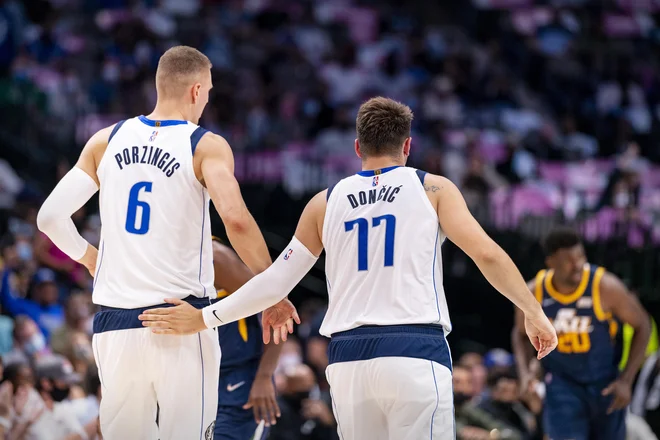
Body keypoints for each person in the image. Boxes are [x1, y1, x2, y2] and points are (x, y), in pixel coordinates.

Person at [140, 96, 558, 439]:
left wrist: (203, 318)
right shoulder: (432, 187)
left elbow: (274, 282)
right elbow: (486, 254)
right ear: (407, 146)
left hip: (348, 360)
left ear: (357, 148)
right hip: (413, 348)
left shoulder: (324, 202)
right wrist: (533, 312)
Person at [35, 45, 296, 440]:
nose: (207, 99)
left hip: (114, 324)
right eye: (208, 91)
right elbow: (237, 221)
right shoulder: (205, 145)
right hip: (181, 320)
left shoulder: (106, 140)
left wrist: (90, 258)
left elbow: (49, 218)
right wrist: (273, 288)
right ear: (195, 90)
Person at [511, 227, 652, 440]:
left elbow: (643, 325)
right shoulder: (535, 292)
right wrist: (525, 374)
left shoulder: (605, 286)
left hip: (605, 384)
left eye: (580, 256)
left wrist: (626, 380)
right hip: (562, 384)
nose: (578, 264)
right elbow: (520, 334)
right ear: (551, 263)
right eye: (568, 260)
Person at [210, 237, 285, 440]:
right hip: (193, 381)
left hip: (237, 382)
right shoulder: (155, 259)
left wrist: (263, 377)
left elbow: (280, 311)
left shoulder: (214, 258)